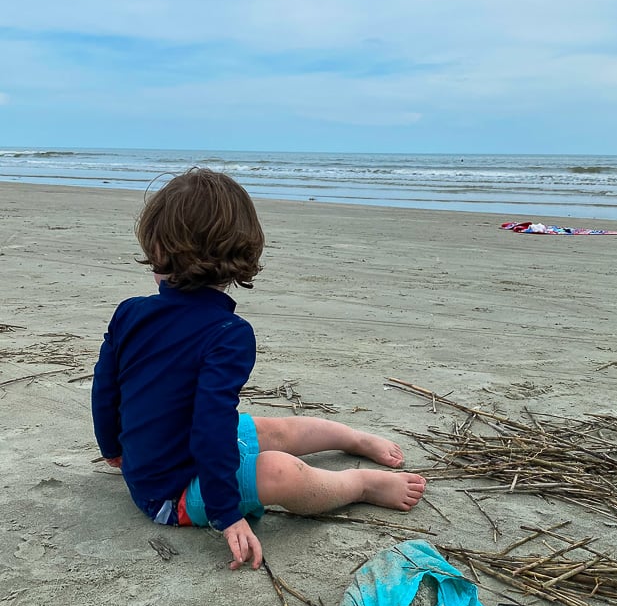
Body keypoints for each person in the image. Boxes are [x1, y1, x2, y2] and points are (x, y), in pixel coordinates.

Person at [92, 168, 426, 571]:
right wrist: (225, 512)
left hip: (176, 453)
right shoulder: (228, 333)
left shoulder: (130, 312)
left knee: (271, 430)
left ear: (158, 246)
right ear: (242, 253)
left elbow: (104, 390)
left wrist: (112, 447)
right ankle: (359, 484)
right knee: (277, 469)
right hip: (170, 492)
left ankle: (352, 439)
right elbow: (208, 424)